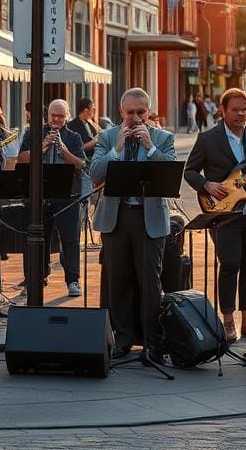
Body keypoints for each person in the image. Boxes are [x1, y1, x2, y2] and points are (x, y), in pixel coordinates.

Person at [184, 87, 246, 343]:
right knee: (230, 265)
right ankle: (228, 322)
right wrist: (206, 185)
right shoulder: (208, 139)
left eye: (244, 110)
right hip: (224, 215)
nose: (240, 114)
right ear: (223, 111)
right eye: (235, 110)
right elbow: (190, 171)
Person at [90, 87, 177, 360]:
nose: (136, 118)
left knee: (150, 282)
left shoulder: (163, 137)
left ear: (149, 112)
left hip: (149, 217)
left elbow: (170, 175)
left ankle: (153, 342)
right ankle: (123, 339)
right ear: (121, 112)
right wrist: (116, 149)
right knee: (118, 281)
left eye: (141, 112)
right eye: (131, 113)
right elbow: (94, 174)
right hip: (116, 216)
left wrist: (149, 147)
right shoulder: (106, 136)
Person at [17, 99, 89, 296]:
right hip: (38, 195)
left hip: (67, 195)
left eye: (60, 116)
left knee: (70, 239)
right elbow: (22, 160)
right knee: (35, 238)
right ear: (47, 115)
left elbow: (81, 164)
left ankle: (72, 280)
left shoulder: (74, 137)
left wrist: (63, 150)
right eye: (53, 115)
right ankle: (35, 278)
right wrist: (42, 147)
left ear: (67, 116)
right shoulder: (33, 133)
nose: (56, 119)